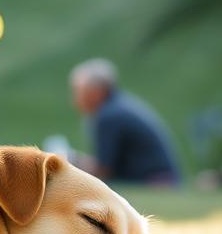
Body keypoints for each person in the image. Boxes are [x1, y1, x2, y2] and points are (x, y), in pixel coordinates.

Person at [66, 58, 181, 186]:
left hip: (156, 184)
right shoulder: (117, 107)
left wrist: (68, 166)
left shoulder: (109, 116)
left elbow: (103, 171)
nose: (75, 100)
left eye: (79, 91)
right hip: (163, 180)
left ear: (96, 92)